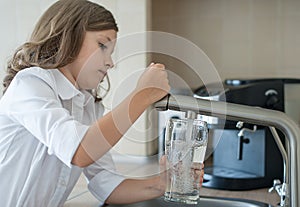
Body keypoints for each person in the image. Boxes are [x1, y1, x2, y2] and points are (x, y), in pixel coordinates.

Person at [0, 0, 204, 206]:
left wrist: (162, 183)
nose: (110, 62)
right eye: (102, 46)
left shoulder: (88, 107)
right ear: (69, 35)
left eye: (111, 52)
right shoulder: (30, 83)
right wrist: (142, 95)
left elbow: (107, 185)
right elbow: (79, 152)